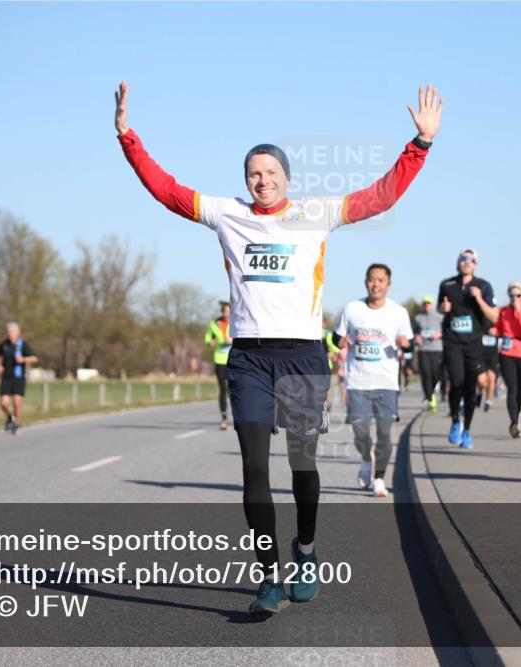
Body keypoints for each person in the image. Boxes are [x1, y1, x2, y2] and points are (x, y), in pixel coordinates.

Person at [114, 80, 442, 613]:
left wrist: (419, 145)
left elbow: (382, 195)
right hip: (248, 358)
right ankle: (268, 575)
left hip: (303, 356)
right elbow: (166, 189)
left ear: (287, 177)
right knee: (253, 472)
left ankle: (305, 551)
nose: (262, 180)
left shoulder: (317, 212)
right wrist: (128, 137)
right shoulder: (226, 213)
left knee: (303, 466)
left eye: (270, 173)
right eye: (253, 173)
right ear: (244, 180)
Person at [335, 264, 413, 497]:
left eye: (381, 280)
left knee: (385, 434)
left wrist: (406, 345)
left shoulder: (398, 313)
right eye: (372, 279)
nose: (376, 284)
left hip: (387, 383)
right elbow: (337, 336)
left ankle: (379, 478)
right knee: (360, 432)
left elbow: (408, 346)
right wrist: (337, 342)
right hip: (358, 382)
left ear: (389, 284)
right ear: (366, 282)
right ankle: (365, 459)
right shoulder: (352, 309)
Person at [437, 249, 499, 449]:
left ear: (476, 264)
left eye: (470, 260)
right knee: (456, 383)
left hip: (474, 344)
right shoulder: (447, 285)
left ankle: (467, 430)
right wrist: (442, 309)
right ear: (458, 262)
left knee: (471, 388)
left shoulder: (484, 286)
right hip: (452, 342)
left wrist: (480, 299)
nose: (466, 262)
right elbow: (441, 307)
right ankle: (456, 421)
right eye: (462, 259)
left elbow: (494, 317)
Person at [494, 282, 521, 438]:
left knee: (520, 391)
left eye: (517, 295)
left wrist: (519, 313)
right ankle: (513, 422)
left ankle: (517, 415)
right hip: (507, 353)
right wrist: (493, 331)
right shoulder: (504, 311)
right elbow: (498, 328)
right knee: (511, 389)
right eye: (511, 295)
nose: (514, 298)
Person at [0, 322, 38, 435]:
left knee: (17, 402)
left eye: (12, 332)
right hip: (6, 377)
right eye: (8, 332)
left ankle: (17, 424)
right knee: (4, 403)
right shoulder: (4, 344)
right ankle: (10, 417)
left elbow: (34, 358)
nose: (10, 334)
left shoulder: (22, 344)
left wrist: (23, 360)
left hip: (18, 377)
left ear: (18, 333)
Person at [205, 301, 234, 430]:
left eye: (228, 311)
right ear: (221, 312)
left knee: (234, 389)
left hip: (234, 359)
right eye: (224, 311)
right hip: (220, 360)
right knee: (223, 389)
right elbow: (208, 339)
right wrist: (210, 342)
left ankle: (240, 417)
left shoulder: (237, 322)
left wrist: (233, 340)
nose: (226, 314)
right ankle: (224, 419)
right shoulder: (213, 324)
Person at [413, 295, 443, 413]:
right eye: (425, 303)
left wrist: (439, 335)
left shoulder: (440, 317)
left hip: (436, 349)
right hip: (423, 349)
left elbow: (446, 330)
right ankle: (430, 398)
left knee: (435, 374)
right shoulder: (418, 318)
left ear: (432, 304)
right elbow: (413, 333)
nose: (427, 306)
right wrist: (417, 337)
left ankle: (432, 393)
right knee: (426, 373)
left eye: (429, 303)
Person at [478, 323, 500, 412]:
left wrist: (499, 332)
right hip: (480, 356)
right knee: (481, 381)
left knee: (491, 376)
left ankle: (488, 401)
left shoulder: (497, 322)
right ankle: (479, 393)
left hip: (493, 356)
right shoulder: (479, 321)